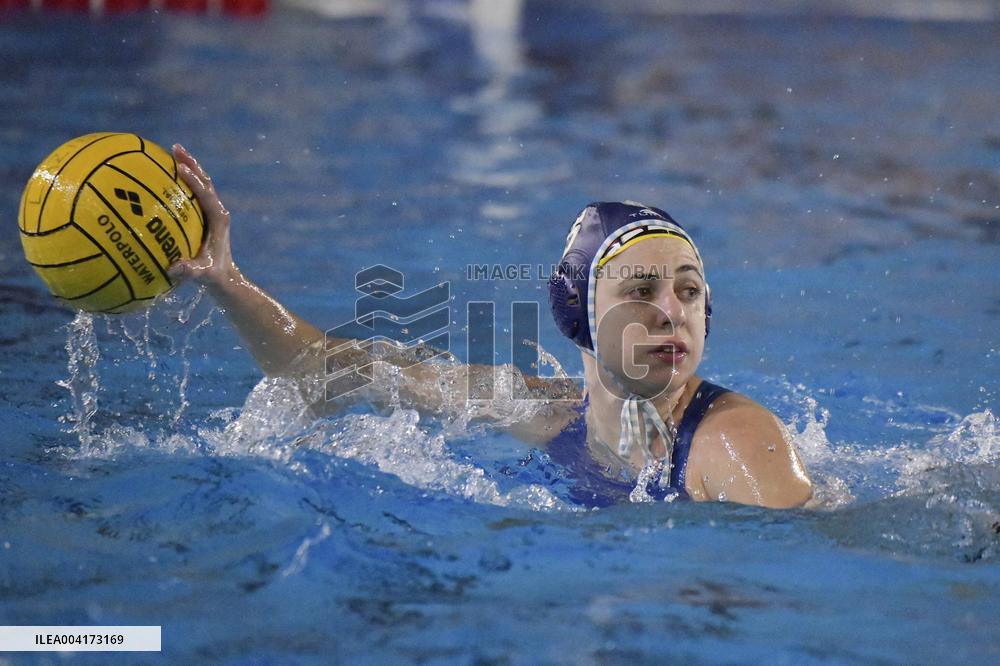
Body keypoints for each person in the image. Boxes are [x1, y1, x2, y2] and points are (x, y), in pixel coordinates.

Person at [169, 144, 813, 509]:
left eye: (690, 291)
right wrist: (225, 278)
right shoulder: (545, 410)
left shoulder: (732, 444)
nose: (672, 310)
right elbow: (322, 369)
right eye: (641, 290)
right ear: (580, 314)